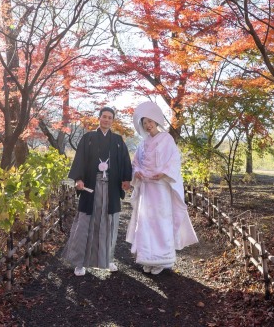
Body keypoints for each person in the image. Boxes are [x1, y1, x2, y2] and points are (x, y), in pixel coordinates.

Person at [126, 101, 198, 274]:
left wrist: (164, 174)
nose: (148, 125)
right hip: (146, 189)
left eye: (150, 121)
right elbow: (136, 163)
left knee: (160, 222)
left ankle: (162, 260)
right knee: (145, 222)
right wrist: (137, 172)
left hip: (161, 187)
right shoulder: (142, 144)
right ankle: (147, 258)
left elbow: (174, 160)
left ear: (156, 121)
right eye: (144, 123)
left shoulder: (166, 139)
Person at [64, 106, 132, 276]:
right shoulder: (88, 138)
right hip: (91, 186)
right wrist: (78, 179)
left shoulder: (117, 140)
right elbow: (79, 159)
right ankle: (80, 263)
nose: (107, 120)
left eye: (110, 117)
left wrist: (126, 179)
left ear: (113, 121)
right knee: (87, 222)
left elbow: (125, 161)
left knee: (109, 222)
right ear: (99, 118)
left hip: (111, 187)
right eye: (104, 116)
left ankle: (107, 259)